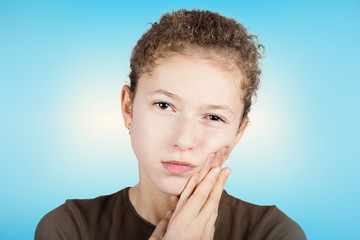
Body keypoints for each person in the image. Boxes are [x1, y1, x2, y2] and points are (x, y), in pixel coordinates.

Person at [35, 9, 306, 240]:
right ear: (128, 108)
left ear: (238, 133)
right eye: (164, 106)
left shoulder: (273, 232)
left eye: (214, 117)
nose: (184, 140)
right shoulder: (69, 228)